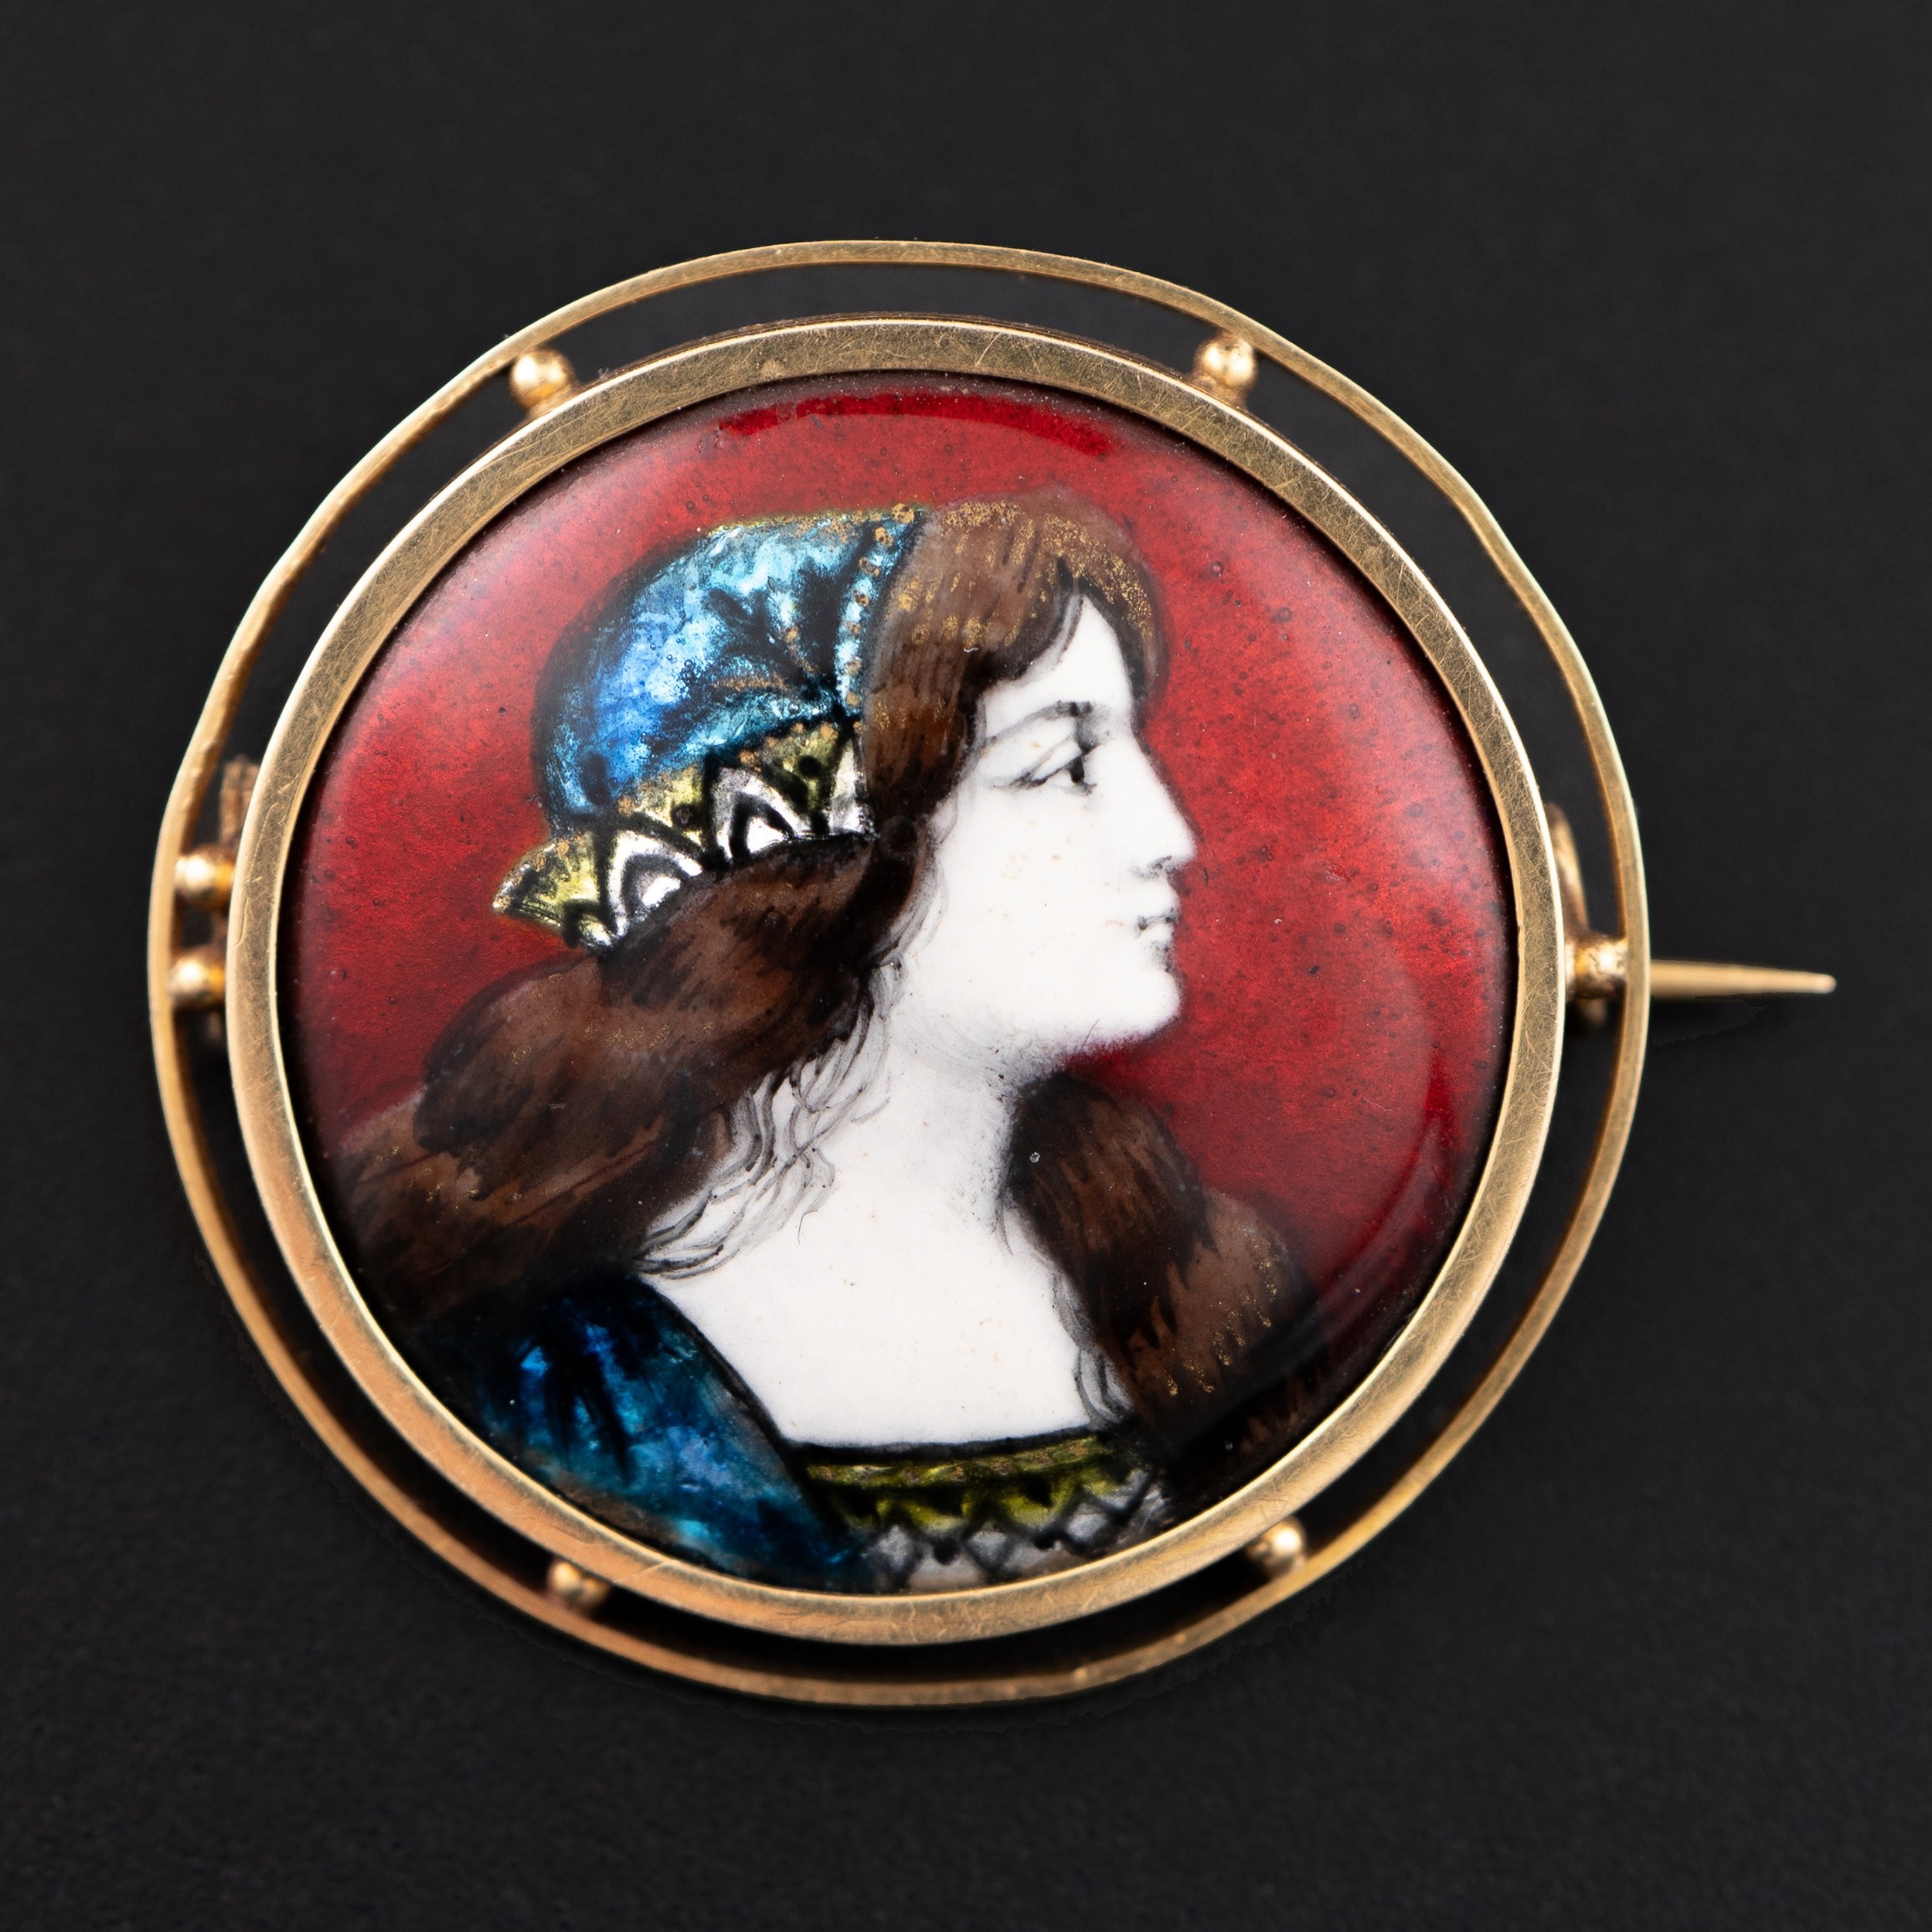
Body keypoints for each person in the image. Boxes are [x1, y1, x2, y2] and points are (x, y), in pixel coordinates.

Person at [328, 493, 1330, 1592]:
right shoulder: (555, 1378)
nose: (1166, 835)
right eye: (1058, 767)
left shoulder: (1205, 1283)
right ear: (815, 877)